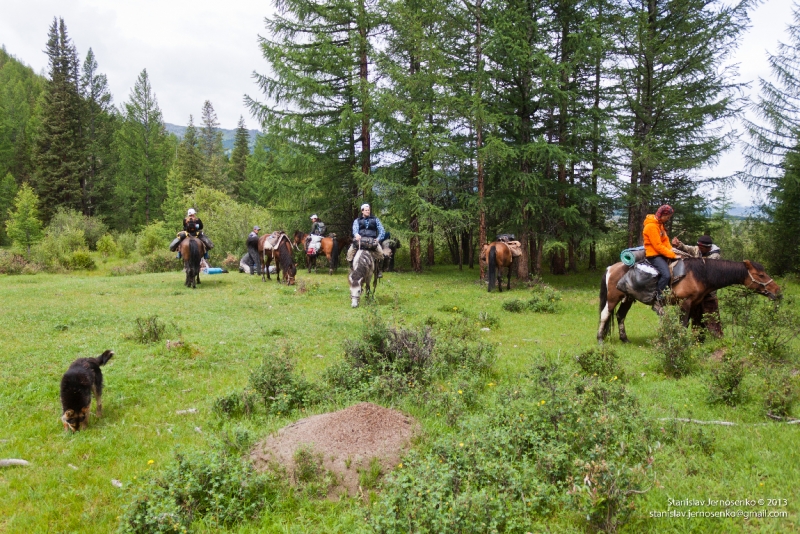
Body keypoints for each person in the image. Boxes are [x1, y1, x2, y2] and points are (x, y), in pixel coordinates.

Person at [672, 234, 723, 336]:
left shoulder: (715, 256)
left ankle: (718, 337)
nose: (699, 249)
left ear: (708, 248)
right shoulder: (698, 249)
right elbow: (687, 248)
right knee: (696, 315)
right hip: (697, 291)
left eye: (702, 248)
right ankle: (697, 336)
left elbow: (704, 268)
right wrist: (679, 244)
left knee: (711, 315)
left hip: (708, 293)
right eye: (699, 247)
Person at [643, 204, 676, 315]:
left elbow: (665, 241)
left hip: (661, 253)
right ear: (663, 215)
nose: (668, 219)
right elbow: (657, 245)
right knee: (666, 274)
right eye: (668, 216)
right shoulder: (651, 226)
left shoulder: (660, 225)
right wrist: (672, 255)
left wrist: (673, 251)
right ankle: (657, 299)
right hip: (653, 255)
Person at [347, 203, 385, 277]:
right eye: (366, 210)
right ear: (362, 211)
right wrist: (356, 235)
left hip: (372, 241)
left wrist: (378, 239)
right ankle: (352, 269)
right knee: (349, 253)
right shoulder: (357, 220)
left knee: (381, 254)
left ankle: (378, 271)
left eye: (369, 210)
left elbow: (382, 230)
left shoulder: (375, 219)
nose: (368, 211)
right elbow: (355, 230)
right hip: (360, 241)